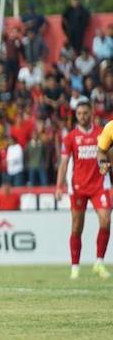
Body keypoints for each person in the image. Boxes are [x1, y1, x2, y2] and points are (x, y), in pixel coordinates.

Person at [59, 99, 110, 280]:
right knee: (76, 227)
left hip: (99, 185)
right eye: (79, 114)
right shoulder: (71, 137)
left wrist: (107, 165)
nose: (82, 116)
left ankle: (99, 262)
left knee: (105, 220)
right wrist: (59, 186)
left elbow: (109, 156)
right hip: (78, 187)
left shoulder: (102, 133)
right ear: (76, 115)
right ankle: (75, 267)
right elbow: (64, 163)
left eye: (85, 113)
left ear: (91, 113)